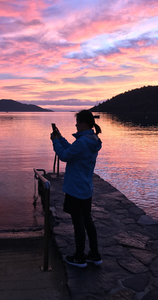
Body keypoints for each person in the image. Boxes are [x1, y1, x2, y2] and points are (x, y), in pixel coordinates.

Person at [50, 110, 102, 268]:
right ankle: (94, 254)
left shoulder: (82, 142)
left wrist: (55, 142)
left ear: (84, 123)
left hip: (75, 189)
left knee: (78, 224)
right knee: (87, 221)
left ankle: (79, 258)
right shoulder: (92, 140)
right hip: (85, 188)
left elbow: (65, 156)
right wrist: (61, 138)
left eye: (77, 122)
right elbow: (72, 151)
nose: (75, 124)